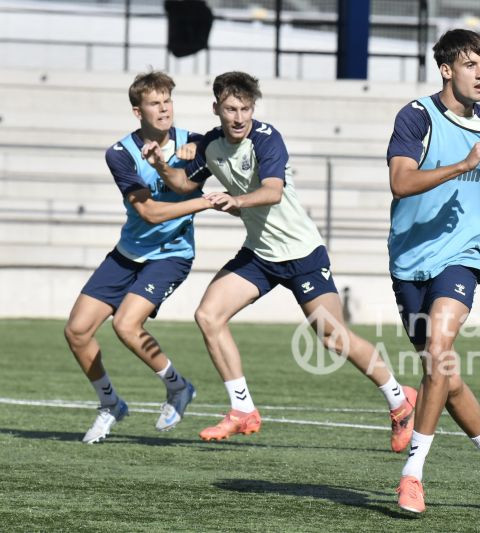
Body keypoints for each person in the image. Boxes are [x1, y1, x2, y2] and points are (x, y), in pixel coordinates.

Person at [142, 71, 417, 451]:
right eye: (231, 109)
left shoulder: (266, 138)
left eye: (245, 109)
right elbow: (185, 184)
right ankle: (243, 409)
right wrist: (160, 164)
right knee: (208, 315)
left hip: (302, 254)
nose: (239, 117)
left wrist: (236, 200)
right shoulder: (210, 145)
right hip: (260, 254)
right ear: (216, 108)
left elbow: (272, 191)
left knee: (333, 337)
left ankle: (400, 401)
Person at [386, 29, 480, 514]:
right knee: (443, 375)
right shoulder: (417, 116)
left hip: (464, 256)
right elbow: (401, 181)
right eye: (471, 65)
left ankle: (412, 474)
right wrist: (462, 164)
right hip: (410, 261)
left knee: (436, 354)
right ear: (447, 70)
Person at [64, 71, 212, 444]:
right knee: (77, 331)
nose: (164, 109)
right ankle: (110, 404)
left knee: (126, 325)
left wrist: (196, 152)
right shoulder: (120, 154)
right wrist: (206, 203)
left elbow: (214, 152)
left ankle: (178, 387)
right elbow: (148, 213)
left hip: (171, 254)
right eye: (154, 103)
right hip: (128, 253)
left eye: (167, 101)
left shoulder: (195, 142)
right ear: (137, 111)